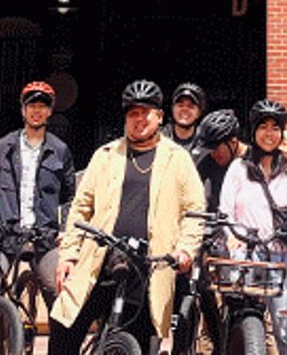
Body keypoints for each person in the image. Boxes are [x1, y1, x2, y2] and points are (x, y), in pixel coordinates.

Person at [51, 80, 204, 355]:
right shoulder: (105, 155)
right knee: (64, 325)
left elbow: (194, 212)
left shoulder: (177, 159)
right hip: (100, 261)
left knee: (138, 342)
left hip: (147, 267)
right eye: (133, 113)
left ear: (159, 116)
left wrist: (185, 249)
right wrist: (68, 256)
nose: (140, 119)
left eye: (147, 112)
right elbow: (81, 208)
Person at [218, 99, 287, 355]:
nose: (269, 133)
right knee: (238, 323)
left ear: (282, 133)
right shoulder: (238, 168)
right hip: (245, 257)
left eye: (275, 127)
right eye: (263, 127)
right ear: (254, 131)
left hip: (281, 257)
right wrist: (232, 238)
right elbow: (225, 211)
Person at [0, 80, 77, 306]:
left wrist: (65, 229)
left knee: (57, 293)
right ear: (23, 110)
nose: (37, 111)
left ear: (49, 112)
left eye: (42, 106)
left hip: (43, 239)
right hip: (6, 236)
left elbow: (71, 197)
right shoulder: (3, 146)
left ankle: (57, 342)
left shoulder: (60, 150)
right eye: (32, 105)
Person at [193, 107, 242, 212]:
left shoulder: (253, 162)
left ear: (233, 141)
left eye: (216, 148)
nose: (213, 154)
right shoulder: (209, 162)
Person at [164, 82, 208, 153]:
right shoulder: (159, 139)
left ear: (198, 113)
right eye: (180, 105)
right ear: (172, 108)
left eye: (190, 106)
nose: (184, 109)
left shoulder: (205, 142)